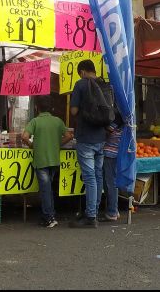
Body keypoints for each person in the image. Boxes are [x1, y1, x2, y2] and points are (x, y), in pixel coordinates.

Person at [21, 95, 72, 228]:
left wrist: (32, 145)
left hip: (41, 160)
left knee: (45, 189)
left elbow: (24, 136)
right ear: (51, 108)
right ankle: (50, 215)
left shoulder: (35, 121)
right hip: (54, 160)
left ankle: (49, 217)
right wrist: (57, 144)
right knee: (48, 188)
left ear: (37, 108)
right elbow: (69, 136)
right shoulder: (57, 121)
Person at [69, 59, 108, 229]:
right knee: (98, 175)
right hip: (101, 137)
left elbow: (74, 110)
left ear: (83, 72)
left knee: (90, 177)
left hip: (86, 138)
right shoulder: (104, 84)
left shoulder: (81, 84)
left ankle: (91, 216)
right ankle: (94, 210)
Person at [101, 120, 122, 222]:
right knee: (111, 182)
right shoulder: (127, 121)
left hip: (110, 153)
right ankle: (114, 209)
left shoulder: (114, 124)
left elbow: (105, 133)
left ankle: (112, 212)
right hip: (116, 153)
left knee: (110, 183)